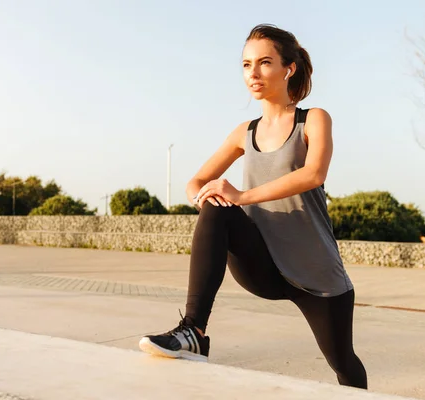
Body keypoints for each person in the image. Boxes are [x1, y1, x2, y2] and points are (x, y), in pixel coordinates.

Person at [139, 23, 367, 389]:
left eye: (264, 63)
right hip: (264, 264)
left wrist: (241, 196)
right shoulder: (243, 132)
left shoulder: (314, 120)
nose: (253, 73)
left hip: (317, 275)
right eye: (246, 65)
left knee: (344, 362)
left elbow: (314, 174)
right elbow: (194, 182)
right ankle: (194, 330)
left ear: (288, 68)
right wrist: (208, 198)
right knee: (215, 206)